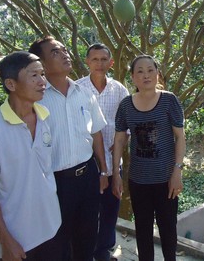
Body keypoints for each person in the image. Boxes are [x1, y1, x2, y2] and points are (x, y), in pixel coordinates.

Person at [0, 51, 63, 260]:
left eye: (42, 74)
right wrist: (5, 239)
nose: (42, 81)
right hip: (16, 239)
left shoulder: (45, 117)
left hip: (51, 227)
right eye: (33, 75)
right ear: (11, 84)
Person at [29, 37, 108, 261]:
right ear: (41, 64)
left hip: (88, 177)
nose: (65, 54)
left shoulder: (84, 93)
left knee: (87, 238)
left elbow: (96, 133)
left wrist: (103, 169)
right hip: (54, 182)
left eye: (64, 49)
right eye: (55, 52)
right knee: (56, 244)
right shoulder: (36, 100)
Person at [112, 55, 186, 261]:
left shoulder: (169, 100)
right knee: (142, 229)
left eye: (150, 70)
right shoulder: (126, 105)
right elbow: (119, 141)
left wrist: (177, 171)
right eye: (140, 71)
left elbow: (180, 137)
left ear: (157, 73)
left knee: (168, 229)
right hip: (138, 180)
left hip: (166, 179)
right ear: (133, 78)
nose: (146, 75)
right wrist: (115, 173)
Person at [76, 43, 129, 261]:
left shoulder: (119, 90)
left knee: (110, 208)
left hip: (113, 160)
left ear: (111, 62)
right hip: (86, 162)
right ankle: (84, 251)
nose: (99, 63)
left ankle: (104, 250)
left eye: (103, 59)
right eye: (94, 59)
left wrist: (122, 141)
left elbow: (127, 124)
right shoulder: (76, 89)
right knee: (87, 212)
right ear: (87, 62)